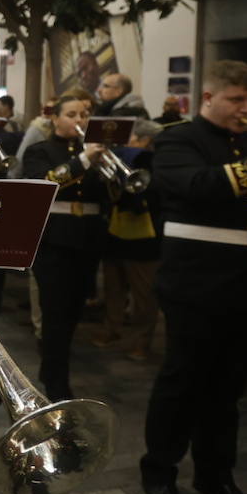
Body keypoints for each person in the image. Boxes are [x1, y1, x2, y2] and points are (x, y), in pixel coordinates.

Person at [139, 60, 247, 494]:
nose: (245, 109)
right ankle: (159, 472)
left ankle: (216, 476)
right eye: (236, 99)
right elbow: (195, 185)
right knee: (182, 381)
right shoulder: (178, 138)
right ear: (208, 99)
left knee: (229, 388)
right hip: (195, 283)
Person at [21, 95, 110, 401]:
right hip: (53, 241)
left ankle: (51, 368)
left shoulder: (98, 155)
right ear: (55, 118)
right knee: (55, 313)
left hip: (88, 239)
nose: (79, 120)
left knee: (73, 312)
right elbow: (43, 183)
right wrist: (83, 161)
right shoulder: (40, 150)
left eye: (85, 114)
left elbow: (109, 196)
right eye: (71, 114)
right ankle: (57, 381)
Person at [94, 119, 162, 360]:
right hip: (115, 231)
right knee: (114, 287)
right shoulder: (118, 156)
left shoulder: (152, 160)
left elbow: (151, 193)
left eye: (130, 138)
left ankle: (142, 342)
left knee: (143, 294)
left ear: (143, 140)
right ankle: (112, 329)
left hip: (145, 236)